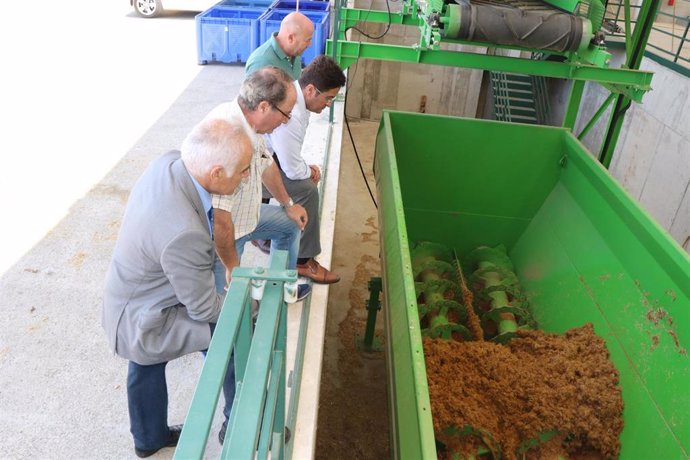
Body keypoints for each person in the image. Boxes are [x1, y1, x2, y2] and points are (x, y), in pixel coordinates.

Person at [102, 117, 253, 458]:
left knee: (145, 366)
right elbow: (204, 309)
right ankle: (237, 423)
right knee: (227, 334)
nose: (246, 177)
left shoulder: (170, 162)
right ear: (216, 173)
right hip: (144, 315)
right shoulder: (184, 233)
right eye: (243, 171)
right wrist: (248, 304)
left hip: (129, 294)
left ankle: (149, 438)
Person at [205, 66, 311, 310]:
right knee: (222, 313)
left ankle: (279, 288)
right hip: (225, 237)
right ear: (264, 106)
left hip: (247, 215)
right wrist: (234, 268)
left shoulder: (251, 125)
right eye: (285, 114)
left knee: (289, 225)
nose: (286, 121)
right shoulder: (229, 137)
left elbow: (267, 165)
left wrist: (289, 205)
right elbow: (220, 221)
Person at [264, 55, 346, 284]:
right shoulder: (294, 113)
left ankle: (271, 237)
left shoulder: (297, 98)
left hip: (267, 158)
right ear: (311, 90)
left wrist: (304, 167)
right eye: (328, 98)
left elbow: (288, 157)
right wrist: (310, 172)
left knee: (303, 177)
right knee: (307, 190)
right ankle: (302, 260)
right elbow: (291, 169)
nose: (329, 104)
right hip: (251, 168)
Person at [245, 11, 315, 80]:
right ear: (291, 38)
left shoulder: (294, 52)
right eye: (307, 40)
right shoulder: (261, 62)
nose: (310, 45)